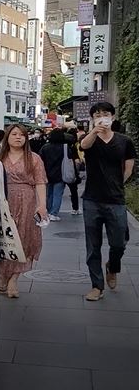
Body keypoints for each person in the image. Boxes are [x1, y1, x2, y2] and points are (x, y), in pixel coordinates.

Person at [80, 102, 136, 301]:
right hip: (92, 199)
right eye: (97, 114)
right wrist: (94, 131)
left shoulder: (124, 141)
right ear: (93, 118)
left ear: (112, 116)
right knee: (93, 245)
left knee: (119, 242)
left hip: (116, 199)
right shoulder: (90, 139)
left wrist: (120, 182)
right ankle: (97, 286)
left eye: (105, 113)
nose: (101, 116)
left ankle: (112, 266)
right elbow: (83, 146)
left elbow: (129, 166)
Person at [0, 125, 48, 298]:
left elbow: (40, 182)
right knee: (4, 239)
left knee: (23, 239)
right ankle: (3, 274)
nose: (18, 137)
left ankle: (14, 279)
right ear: (7, 137)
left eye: (22, 135)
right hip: (4, 201)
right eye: (14, 134)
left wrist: (42, 205)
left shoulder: (34, 158)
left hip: (27, 201)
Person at [40, 128, 73, 221]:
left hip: (47, 174)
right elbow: (70, 159)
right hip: (60, 174)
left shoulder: (45, 147)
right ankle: (54, 213)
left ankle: (48, 211)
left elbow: (40, 160)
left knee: (48, 194)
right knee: (57, 194)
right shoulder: (65, 148)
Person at [66, 127, 83, 215]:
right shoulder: (73, 147)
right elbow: (77, 161)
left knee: (54, 191)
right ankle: (75, 209)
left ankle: (51, 211)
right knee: (73, 191)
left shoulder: (62, 147)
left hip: (59, 172)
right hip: (71, 171)